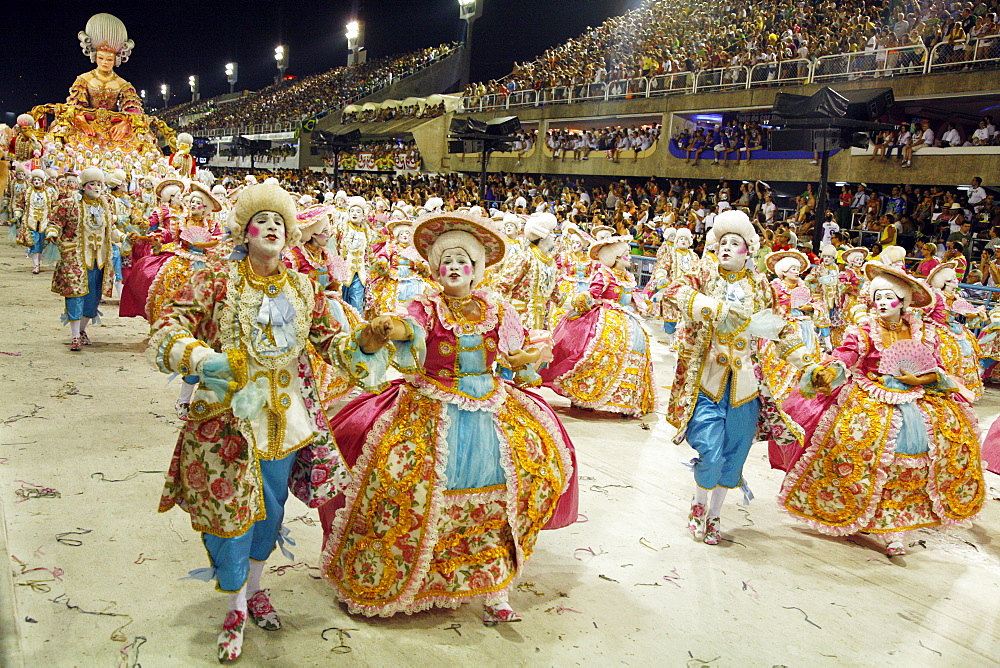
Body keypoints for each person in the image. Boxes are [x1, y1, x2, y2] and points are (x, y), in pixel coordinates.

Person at [319, 211, 578, 623]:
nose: (454, 268)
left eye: (464, 261)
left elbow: (515, 357)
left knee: (514, 486)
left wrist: (534, 356)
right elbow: (409, 329)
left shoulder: (498, 309)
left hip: (491, 407)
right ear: (436, 268)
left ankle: (495, 585)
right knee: (406, 485)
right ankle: (418, 577)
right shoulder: (425, 306)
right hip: (432, 404)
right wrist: (391, 329)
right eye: (447, 261)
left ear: (477, 270)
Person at [149, 183, 371, 661]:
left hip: (285, 421)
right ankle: (233, 605)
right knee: (229, 514)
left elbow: (332, 343)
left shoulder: (303, 287)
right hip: (225, 420)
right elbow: (168, 323)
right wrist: (203, 358)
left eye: (280, 223)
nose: (272, 228)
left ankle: (253, 588)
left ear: (289, 235)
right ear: (244, 231)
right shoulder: (215, 279)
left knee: (269, 511)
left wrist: (367, 343)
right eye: (262, 221)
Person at [778, 263, 985, 557]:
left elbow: (934, 367)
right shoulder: (863, 331)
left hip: (915, 398)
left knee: (936, 447)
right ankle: (857, 510)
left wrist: (918, 379)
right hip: (870, 395)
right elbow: (845, 357)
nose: (882, 304)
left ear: (904, 302)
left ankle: (895, 527)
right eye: (878, 298)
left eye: (889, 298)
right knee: (854, 445)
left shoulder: (923, 333)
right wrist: (829, 371)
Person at [662, 210, 816, 545]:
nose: (728, 248)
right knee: (711, 451)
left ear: (750, 251)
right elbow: (673, 293)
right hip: (706, 380)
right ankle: (699, 506)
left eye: (737, 243)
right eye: (723, 242)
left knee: (733, 457)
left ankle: (715, 515)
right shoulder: (702, 272)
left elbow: (779, 329)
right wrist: (714, 310)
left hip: (745, 384)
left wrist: (807, 363)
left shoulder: (761, 286)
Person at [541, 234, 656, 417]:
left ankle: (624, 399)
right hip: (606, 319)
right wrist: (577, 302)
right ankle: (584, 394)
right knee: (597, 353)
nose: (630, 257)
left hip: (627, 320)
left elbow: (633, 296)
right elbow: (592, 294)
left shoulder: (627, 276)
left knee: (635, 349)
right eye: (627, 253)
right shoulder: (604, 274)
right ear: (617, 257)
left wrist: (645, 306)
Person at [45, 167, 120, 350]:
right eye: (92, 184)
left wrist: (124, 238)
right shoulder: (70, 204)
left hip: (99, 258)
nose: (96, 188)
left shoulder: (105, 206)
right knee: (75, 294)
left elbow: (110, 230)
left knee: (94, 297)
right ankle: (75, 335)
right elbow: (55, 221)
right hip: (75, 256)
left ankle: (83, 330)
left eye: (99, 184)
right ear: (84, 186)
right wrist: (53, 231)